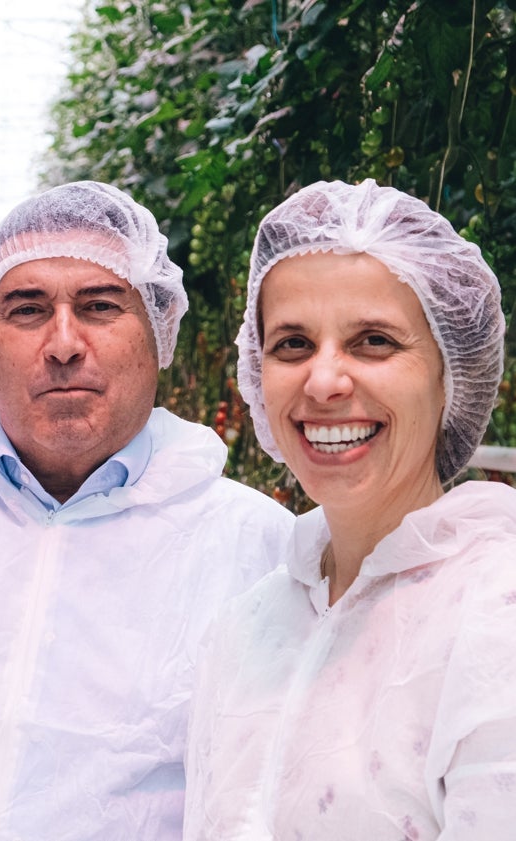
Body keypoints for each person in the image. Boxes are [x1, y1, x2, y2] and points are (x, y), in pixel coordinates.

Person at [0, 177, 293, 840]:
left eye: (98, 305)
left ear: (156, 333)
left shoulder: (256, 548)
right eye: (27, 309)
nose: (63, 342)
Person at [183, 179, 516, 840]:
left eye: (373, 341)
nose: (324, 380)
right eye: (292, 344)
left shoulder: (494, 612)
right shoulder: (246, 627)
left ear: (451, 371)